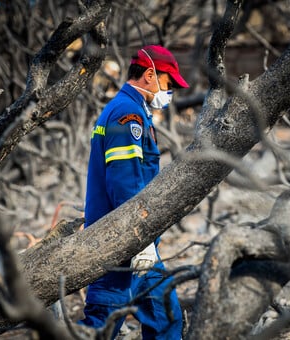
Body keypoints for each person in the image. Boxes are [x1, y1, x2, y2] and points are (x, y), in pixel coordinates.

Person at [77, 45, 189, 339]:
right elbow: (125, 181)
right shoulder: (127, 114)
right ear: (150, 75)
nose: (171, 91)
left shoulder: (133, 110)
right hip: (120, 242)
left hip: (139, 241)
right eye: (169, 83)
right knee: (101, 325)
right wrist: (138, 242)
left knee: (166, 317)